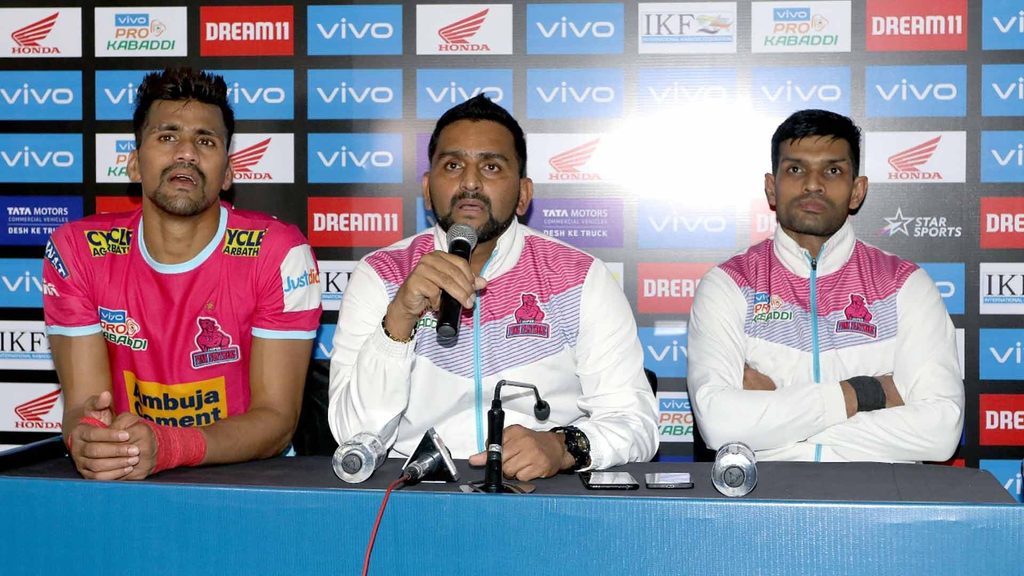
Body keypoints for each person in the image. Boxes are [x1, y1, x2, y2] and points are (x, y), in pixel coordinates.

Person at [328, 95, 658, 481]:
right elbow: (354, 437)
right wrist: (398, 321)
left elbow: (637, 423)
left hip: (544, 498)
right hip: (415, 496)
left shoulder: (580, 276)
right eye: (452, 165)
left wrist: (563, 446)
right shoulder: (380, 274)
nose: (470, 182)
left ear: (523, 194)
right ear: (427, 188)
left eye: (491, 166)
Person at [43, 67, 322, 480]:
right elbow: (84, 404)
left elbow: (277, 422)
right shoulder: (78, 251)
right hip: (128, 477)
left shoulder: (278, 253)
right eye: (167, 136)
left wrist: (171, 445)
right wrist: (87, 440)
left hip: (246, 481)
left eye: (205, 140)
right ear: (134, 164)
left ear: (228, 173)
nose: (186, 153)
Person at [687, 109, 963, 462]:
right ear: (772, 188)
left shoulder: (904, 284)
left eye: (832, 170)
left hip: (877, 506)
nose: (813, 184)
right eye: (796, 169)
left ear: (856, 191)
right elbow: (720, 424)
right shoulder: (729, 284)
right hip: (765, 505)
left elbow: (941, 431)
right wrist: (865, 394)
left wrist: (777, 415)